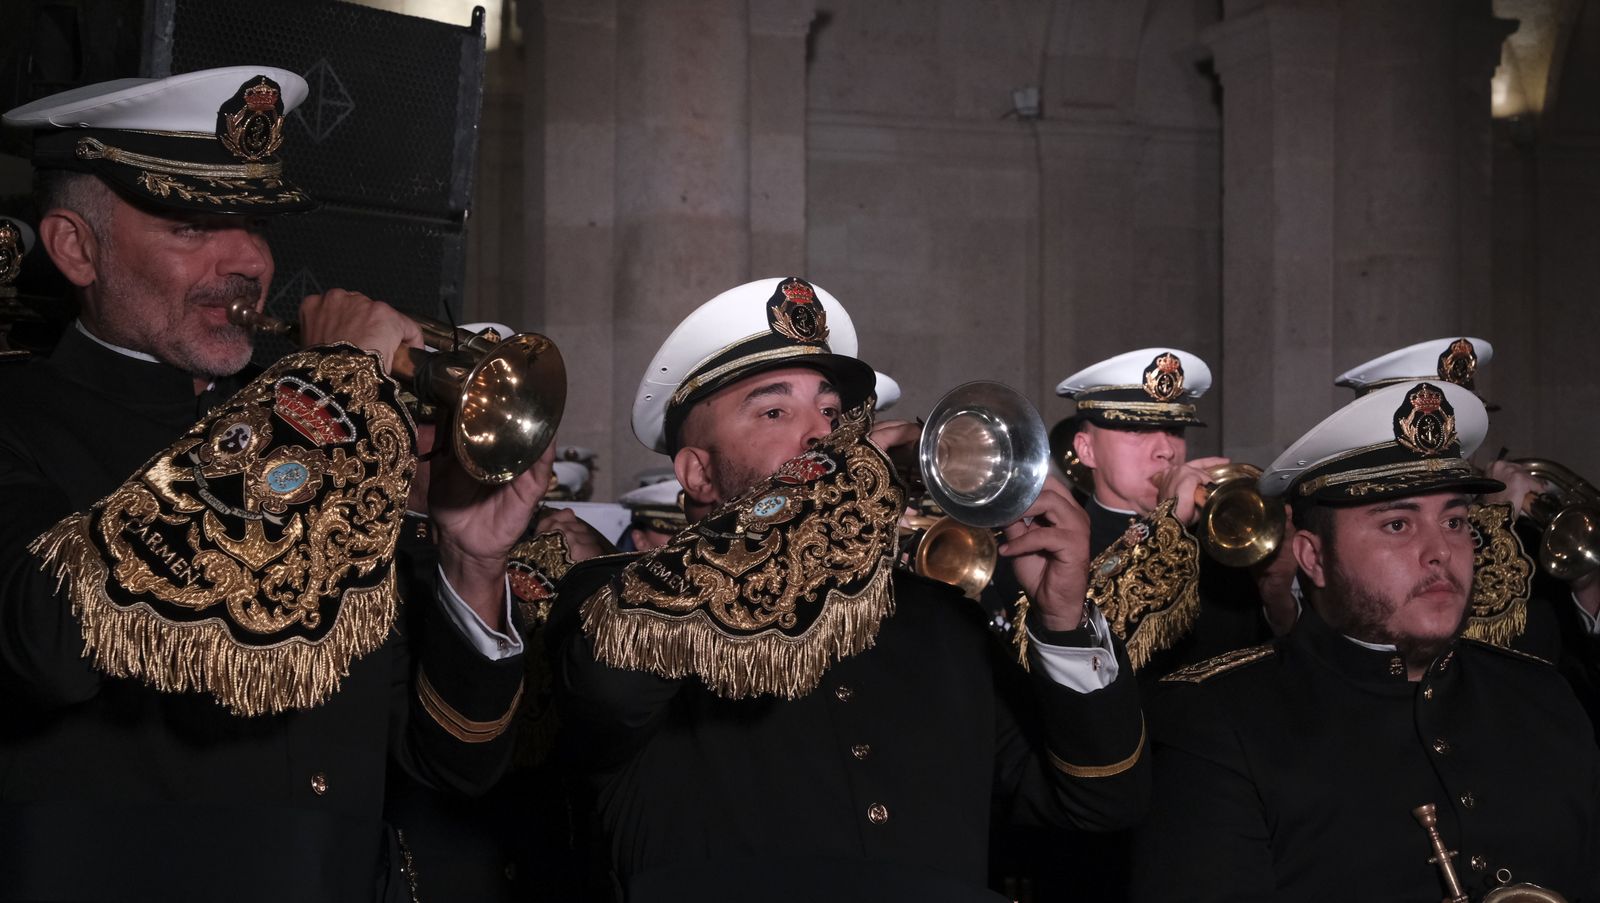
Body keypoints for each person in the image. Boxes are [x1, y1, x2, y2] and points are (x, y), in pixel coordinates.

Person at [0, 68, 547, 900]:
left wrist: (471, 566)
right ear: (77, 247)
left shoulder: (320, 434)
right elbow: (52, 645)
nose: (248, 260)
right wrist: (324, 388)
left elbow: (455, 761)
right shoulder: (21, 419)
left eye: (253, 223)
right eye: (192, 226)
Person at [548, 276, 1149, 902]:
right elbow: (610, 693)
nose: (821, 439)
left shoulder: (941, 620)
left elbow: (1099, 801)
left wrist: (1064, 618)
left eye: (832, 414)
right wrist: (824, 489)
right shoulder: (615, 597)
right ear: (698, 473)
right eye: (775, 411)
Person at [1132, 379, 1600, 902]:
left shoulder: (1543, 694)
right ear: (1312, 558)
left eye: (1454, 520)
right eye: (1398, 524)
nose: (1439, 551)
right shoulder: (1214, 720)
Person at [1057, 348, 1286, 676]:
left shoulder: (1220, 535)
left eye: (1175, 431)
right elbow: (1084, 666)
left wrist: (1278, 600)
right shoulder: (1060, 546)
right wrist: (1168, 525)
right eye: (1137, 430)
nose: (1166, 450)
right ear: (1087, 450)